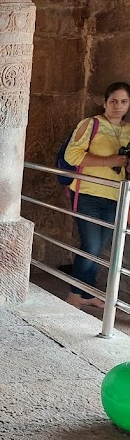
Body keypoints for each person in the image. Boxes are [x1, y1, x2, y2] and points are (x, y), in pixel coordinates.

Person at [63, 82, 130, 310]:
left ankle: (86, 292)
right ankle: (74, 294)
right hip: (88, 193)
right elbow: (72, 156)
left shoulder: (129, 130)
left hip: (115, 198)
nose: (118, 106)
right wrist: (108, 161)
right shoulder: (91, 124)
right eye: (113, 101)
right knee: (91, 245)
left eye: (123, 102)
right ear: (105, 102)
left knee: (98, 248)